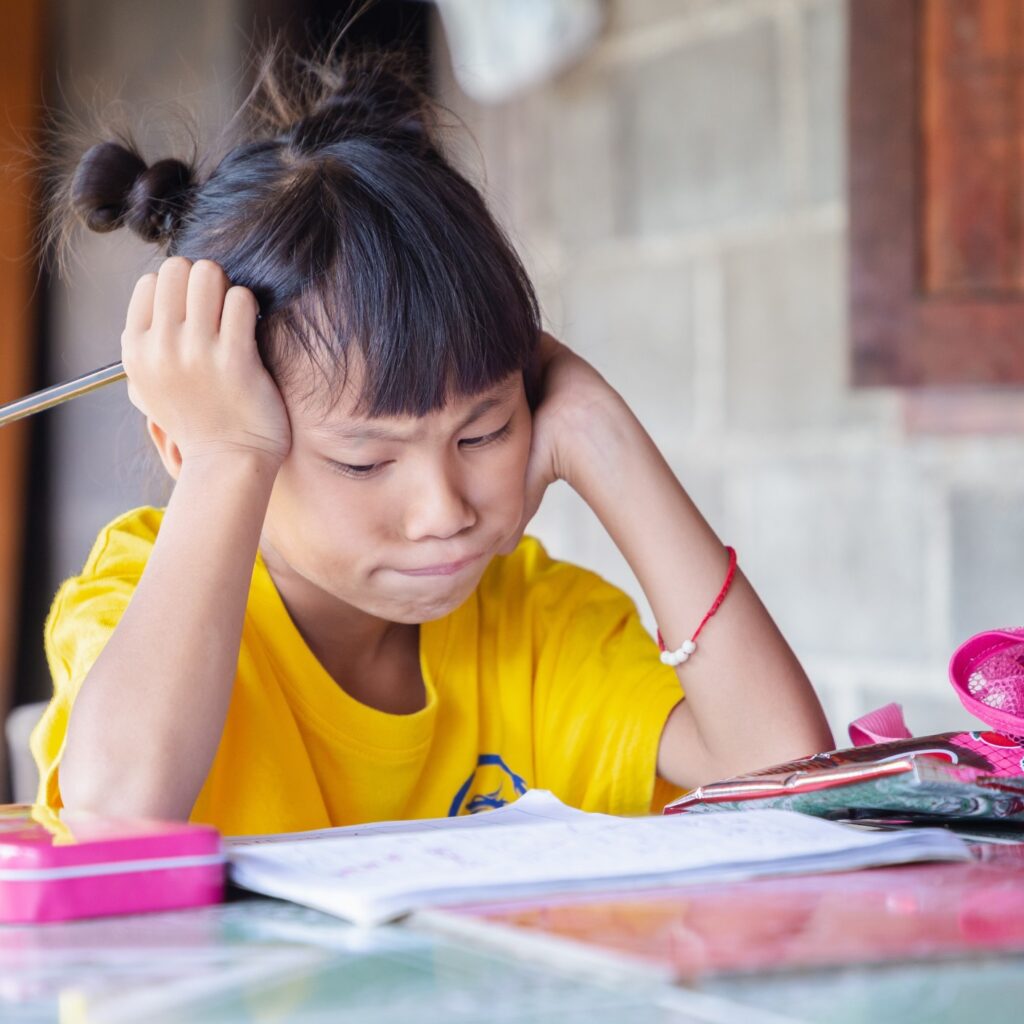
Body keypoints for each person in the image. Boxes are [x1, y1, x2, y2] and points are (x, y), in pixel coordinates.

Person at [31, 42, 832, 834]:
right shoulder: (140, 597)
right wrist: (225, 459)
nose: (442, 511)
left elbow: (793, 784)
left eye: (484, 433)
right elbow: (119, 817)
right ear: (189, 443)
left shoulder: (529, 622)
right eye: (365, 460)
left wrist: (603, 434)